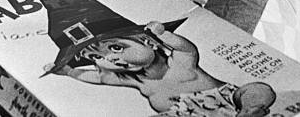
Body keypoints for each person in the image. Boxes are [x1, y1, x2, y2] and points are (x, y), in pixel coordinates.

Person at [56, 20, 276, 115]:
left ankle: (250, 110)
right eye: (96, 57)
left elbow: (187, 49)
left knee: (257, 88)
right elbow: (97, 77)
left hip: (230, 103)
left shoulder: (178, 63)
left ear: (149, 42)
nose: (108, 60)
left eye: (115, 47)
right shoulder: (131, 79)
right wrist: (69, 72)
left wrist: (164, 35)